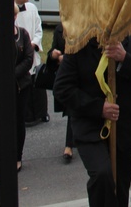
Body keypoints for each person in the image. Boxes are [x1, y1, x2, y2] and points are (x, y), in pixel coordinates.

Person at [53, 29, 131, 207]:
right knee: (102, 175)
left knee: (120, 189)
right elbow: (62, 88)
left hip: (124, 128)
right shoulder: (79, 42)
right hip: (90, 127)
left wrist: (125, 58)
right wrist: (98, 108)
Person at [0, 2, 34, 184]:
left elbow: (28, 59)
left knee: (17, 122)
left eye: (12, 16)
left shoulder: (22, 35)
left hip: (19, 86)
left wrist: (11, 75)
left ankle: (16, 158)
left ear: (15, 17)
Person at [14, 0, 47, 126]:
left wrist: (34, 43)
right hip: (20, 55)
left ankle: (41, 114)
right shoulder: (11, 11)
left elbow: (39, 28)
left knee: (37, 85)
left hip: (32, 51)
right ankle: (26, 116)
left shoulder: (32, 8)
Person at [47, 23, 74, 161]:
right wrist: (54, 55)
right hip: (65, 74)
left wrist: (68, 58)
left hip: (80, 73)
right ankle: (69, 144)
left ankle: (69, 145)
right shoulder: (59, 29)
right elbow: (53, 49)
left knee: (74, 109)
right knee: (71, 108)